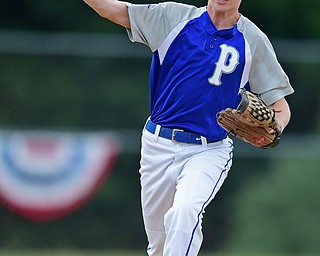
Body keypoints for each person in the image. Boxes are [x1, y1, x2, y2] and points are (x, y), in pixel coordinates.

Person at [83, 0, 294, 255]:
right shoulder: (174, 18)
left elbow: (280, 107)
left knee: (185, 212)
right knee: (160, 245)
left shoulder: (253, 39)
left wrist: (274, 129)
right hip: (156, 144)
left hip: (208, 150)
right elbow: (115, 10)